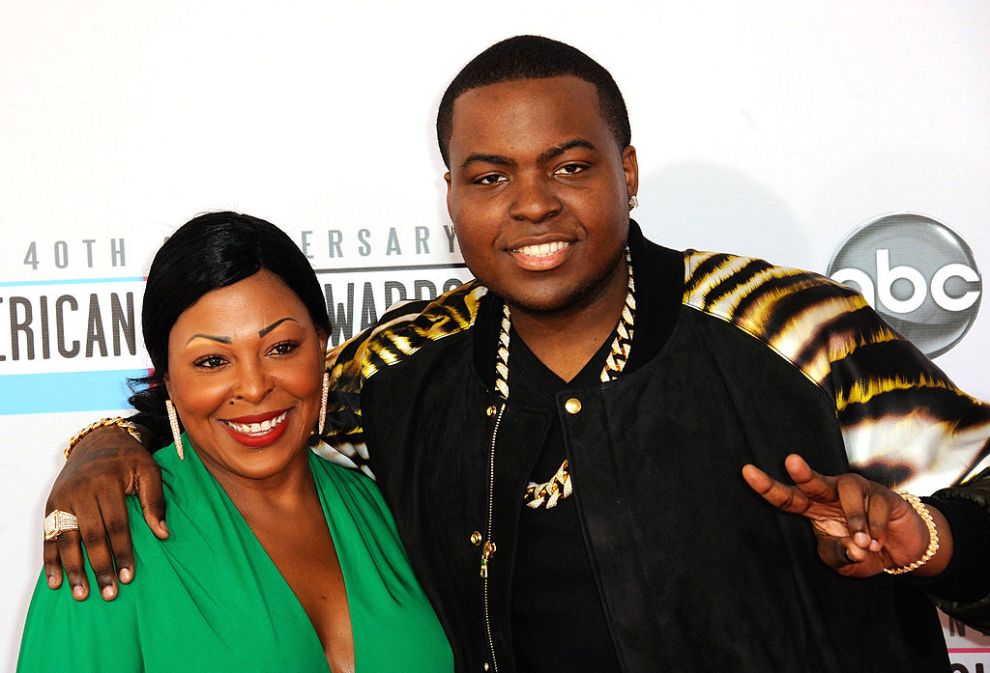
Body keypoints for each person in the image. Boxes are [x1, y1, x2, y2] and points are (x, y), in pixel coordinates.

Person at [40, 37, 990, 672]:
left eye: (569, 166)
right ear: (452, 198)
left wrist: (928, 538)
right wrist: (101, 445)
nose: (531, 204)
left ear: (625, 168)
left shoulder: (792, 328)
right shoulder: (407, 368)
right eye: (490, 177)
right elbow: (253, 407)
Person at [19, 212, 453, 673]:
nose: (253, 386)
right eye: (211, 361)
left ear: (322, 343)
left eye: (282, 348)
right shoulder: (106, 530)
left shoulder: (381, 505)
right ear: (166, 376)